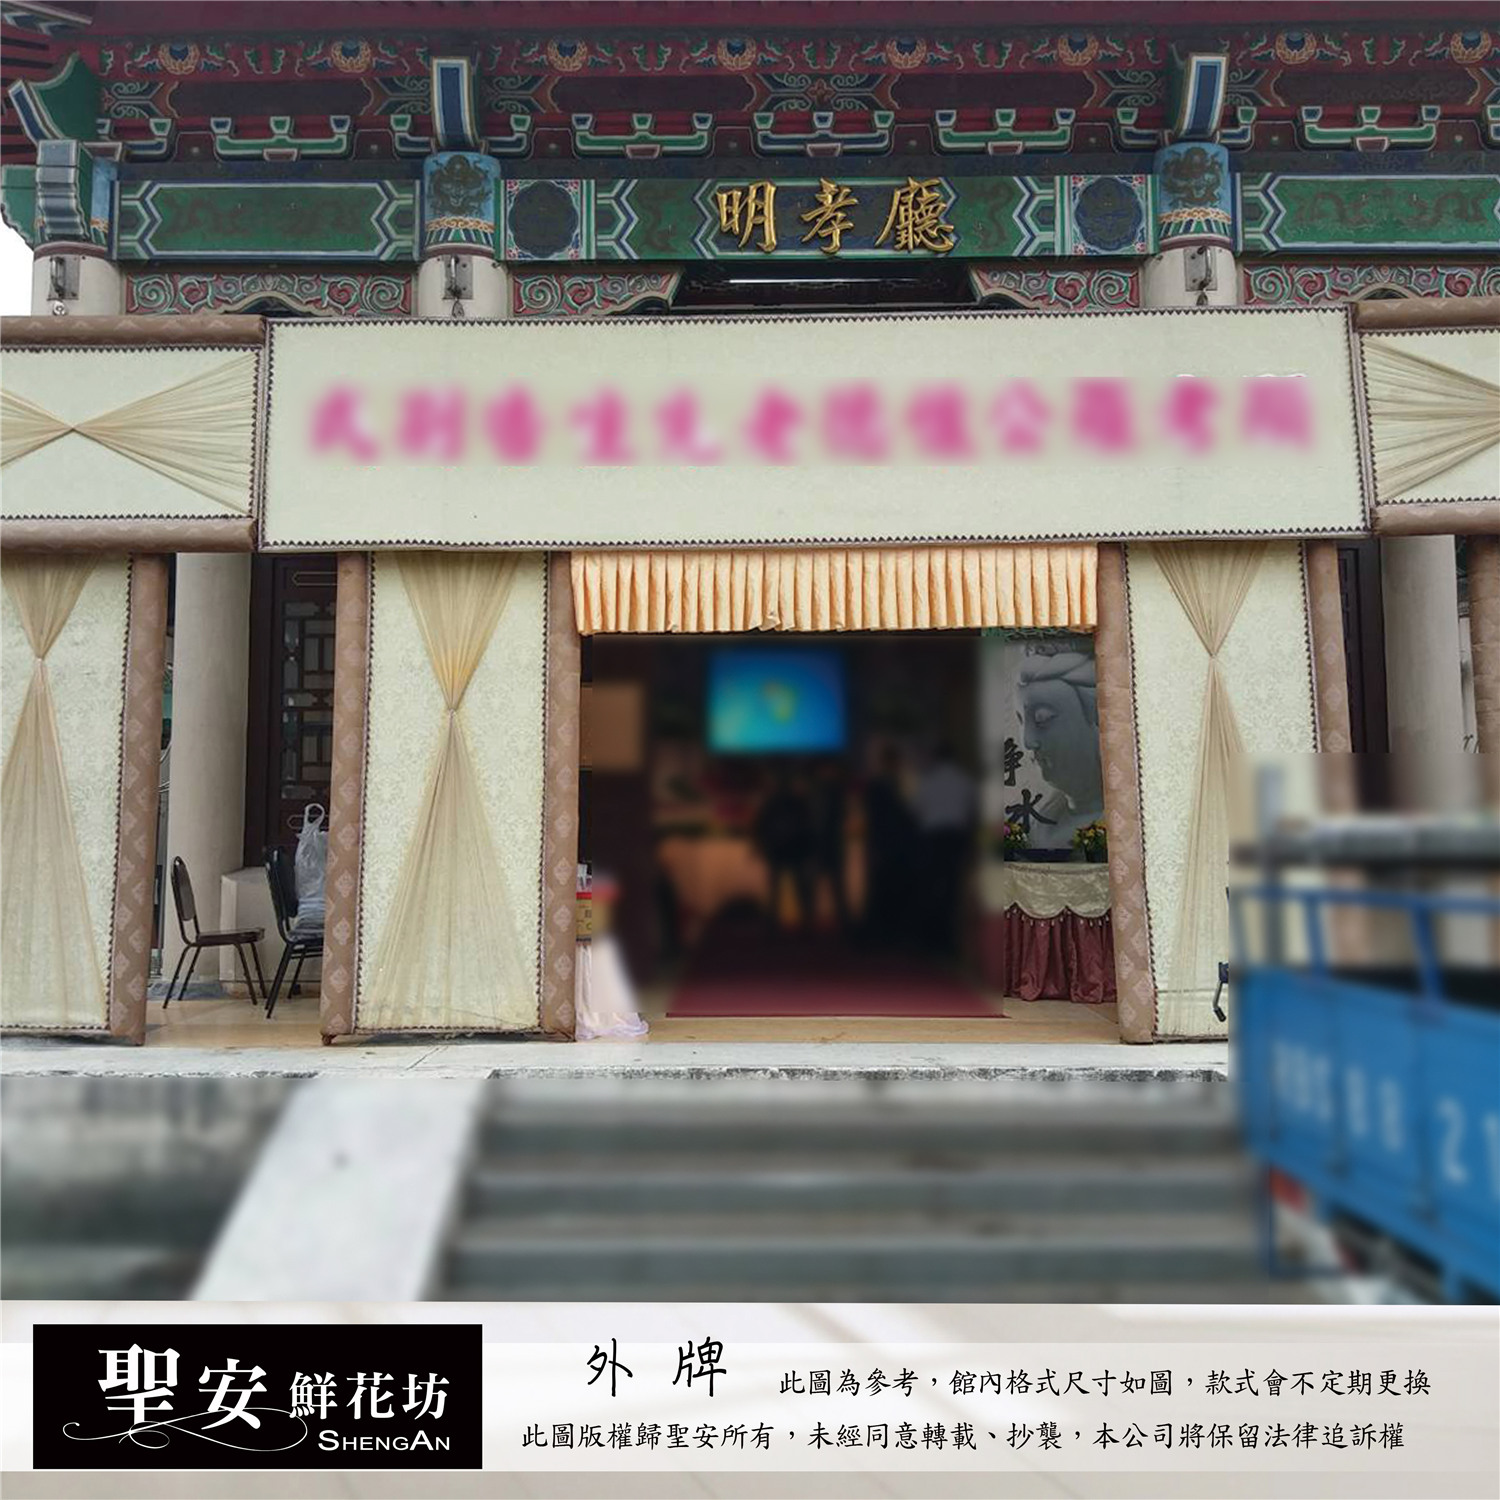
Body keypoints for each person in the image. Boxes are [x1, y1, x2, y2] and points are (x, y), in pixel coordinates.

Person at [1016, 642, 1105, 848]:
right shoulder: (1043, 824)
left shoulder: (1125, 824)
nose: (1028, 742)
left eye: (1042, 719)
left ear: (1097, 720)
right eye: (1021, 720)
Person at [913, 740, 977, 958]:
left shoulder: (928, 780)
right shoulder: (964, 780)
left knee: (931, 888)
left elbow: (917, 811)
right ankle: (950, 943)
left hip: (932, 839)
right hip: (955, 840)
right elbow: (971, 814)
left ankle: (931, 940)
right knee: (952, 890)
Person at [861, 743, 917, 949]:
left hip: (887, 846)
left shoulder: (882, 786)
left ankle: (883, 935)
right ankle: (886, 935)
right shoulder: (889, 787)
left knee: (886, 890)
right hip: (891, 846)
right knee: (887, 891)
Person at [753, 766, 815, 930]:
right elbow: (808, 827)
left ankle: (772, 927)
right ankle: (806, 927)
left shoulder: (772, 802)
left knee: (775, 892)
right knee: (800, 891)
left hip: (779, 851)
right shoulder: (799, 802)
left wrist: (761, 847)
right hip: (795, 852)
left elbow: (761, 826)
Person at [809, 759, 851, 934]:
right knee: (835, 887)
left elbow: (817, 819)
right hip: (830, 846)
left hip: (823, 845)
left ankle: (811, 924)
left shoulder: (818, 791)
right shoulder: (835, 791)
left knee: (821, 887)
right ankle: (844, 923)